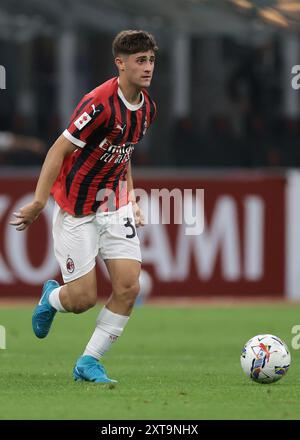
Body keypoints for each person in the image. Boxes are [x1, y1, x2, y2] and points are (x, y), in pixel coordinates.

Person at [10, 30, 158, 385]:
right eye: (140, 60)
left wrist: (132, 198)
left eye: (151, 60)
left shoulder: (147, 108)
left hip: (115, 205)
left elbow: (125, 155)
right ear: (120, 64)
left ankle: (88, 361)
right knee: (82, 299)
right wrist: (38, 201)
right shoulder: (98, 103)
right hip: (78, 208)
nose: (148, 67)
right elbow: (57, 151)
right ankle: (52, 298)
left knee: (129, 287)